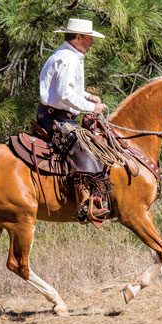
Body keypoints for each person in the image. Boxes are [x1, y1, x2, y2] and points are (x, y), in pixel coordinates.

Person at [37, 18, 110, 224]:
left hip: (55, 114)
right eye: (89, 38)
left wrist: (87, 96)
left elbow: (66, 90)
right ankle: (86, 202)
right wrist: (90, 107)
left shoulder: (68, 55)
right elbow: (64, 95)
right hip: (55, 117)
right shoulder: (68, 59)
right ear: (78, 37)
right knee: (84, 147)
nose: (91, 43)